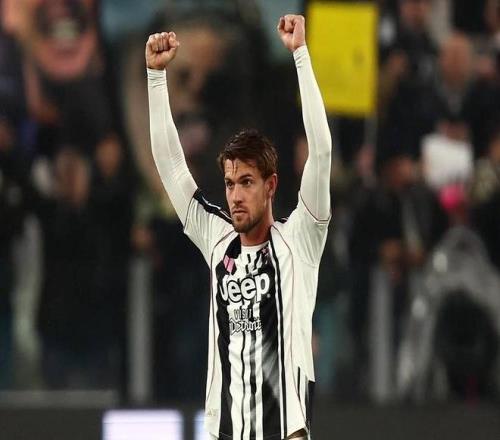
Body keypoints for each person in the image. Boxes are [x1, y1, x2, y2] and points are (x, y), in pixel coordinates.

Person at [146, 14, 332, 440]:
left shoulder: (301, 239)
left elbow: (321, 151)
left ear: (271, 186)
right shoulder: (216, 239)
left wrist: (301, 55)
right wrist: (156, 79)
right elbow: (171, 166)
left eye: (247, 182)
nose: (235, 195)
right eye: (230, 184)